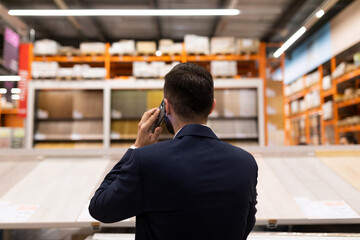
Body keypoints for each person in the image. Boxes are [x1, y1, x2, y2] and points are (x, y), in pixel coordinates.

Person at [89, 63, 258, 240]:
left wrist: (136, 148)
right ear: (212, 107)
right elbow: (246, 223)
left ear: (166, 107)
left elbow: (100, 208)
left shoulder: (146, 161)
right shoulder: (246, 162)